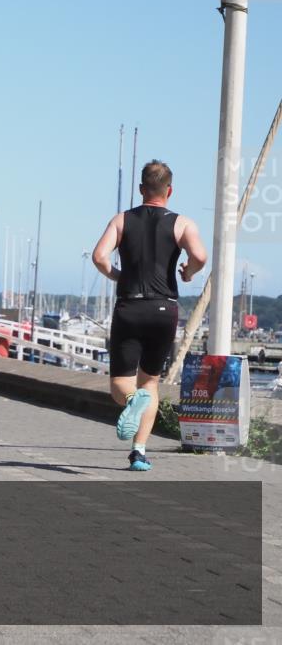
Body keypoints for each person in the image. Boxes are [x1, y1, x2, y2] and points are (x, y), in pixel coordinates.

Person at [92, 160, 207, 471]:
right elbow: (199, 256)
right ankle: (139, 452)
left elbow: (99, 256)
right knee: (151, 383)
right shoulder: (182, 223)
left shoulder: (122, 220)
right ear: (170, 191)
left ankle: (132, 402)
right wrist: (189, 272)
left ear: (142, 189)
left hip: (130, 306)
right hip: (164, 309)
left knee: (121, 386)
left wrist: (116, 274)